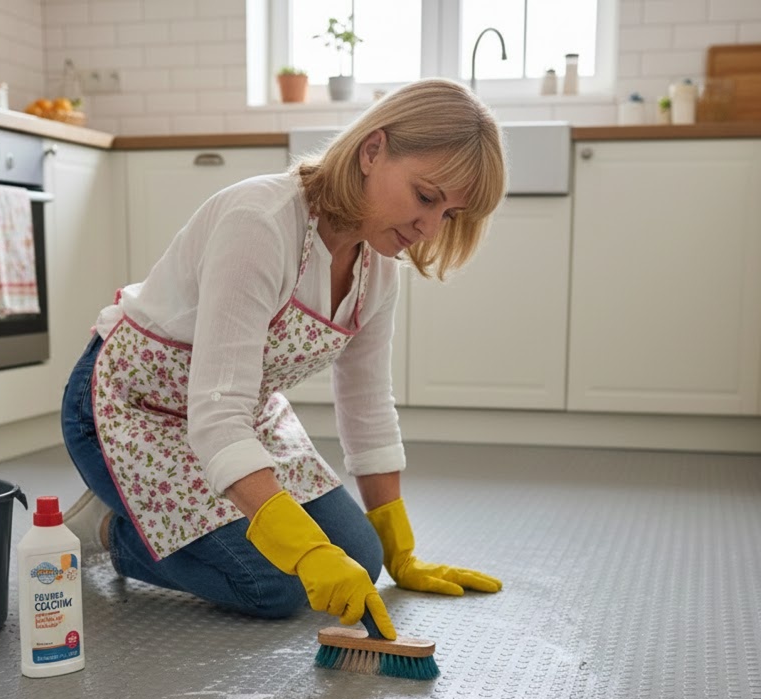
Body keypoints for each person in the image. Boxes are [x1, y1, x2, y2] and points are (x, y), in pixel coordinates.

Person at [61, 78, 507, 640]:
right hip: (131, 409)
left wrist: (399, 546)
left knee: (358, 557)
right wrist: (298, 551)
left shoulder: (378, 268)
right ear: (373, 151)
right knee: (274, 584)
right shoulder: (261, 223)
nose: (428, 228)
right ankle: (112, 529)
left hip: (235, 413)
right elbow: (216, 413)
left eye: (449, 213)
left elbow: (367, 403)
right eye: (425, 196)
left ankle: (167, 522)